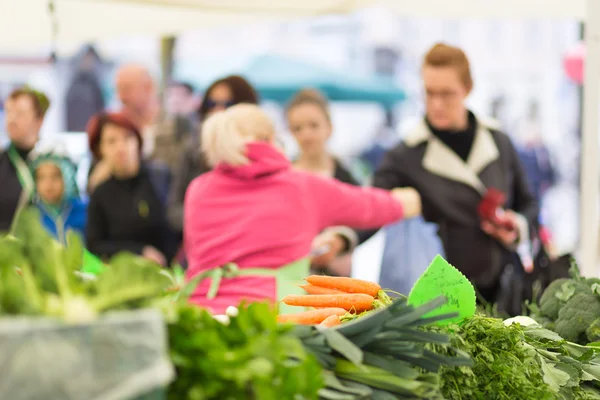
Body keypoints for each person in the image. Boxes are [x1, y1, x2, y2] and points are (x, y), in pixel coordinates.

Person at [183, 104, 422, 314]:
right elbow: (371, 206)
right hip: (273, 317)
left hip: (199, 311)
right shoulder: (301, 187)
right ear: (268, 139)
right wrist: (408, 199)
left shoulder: (198, 189)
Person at [373, 43, 538, 304]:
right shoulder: (406, 154)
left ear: (468, 88)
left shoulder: (498, 141)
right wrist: (343, 238)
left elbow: (528, 203)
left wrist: (516, 226)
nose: (436, 104)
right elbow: (370, 206)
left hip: (502, 290)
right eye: (429, 93)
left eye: (447, 94)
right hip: (441, 301)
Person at [167, 75, 259, 236]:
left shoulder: (259, 152)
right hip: (203, 240)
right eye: (212, 103)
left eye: (228, 104)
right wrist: (205, 223)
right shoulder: (192, 149)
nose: (218, 110)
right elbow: (174, 209)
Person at [285, 88, 361, 275]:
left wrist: (341, 240)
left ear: (329, 127)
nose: (306, 134)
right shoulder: (283, 178)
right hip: (294, 276)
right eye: (298, 128)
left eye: (313, 125)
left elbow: (365, 220)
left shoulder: (346, 178)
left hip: (337, 279)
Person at [85, 112, 177, 266]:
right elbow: (95, 244)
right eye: (111, 141)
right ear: (100, 149)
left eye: (127, 137)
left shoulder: (160, 178)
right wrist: (138, 251)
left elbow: (175, 226)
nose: (121, 147)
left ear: (138, 141)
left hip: (170, 274)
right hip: (123, 276)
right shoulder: (100, 193)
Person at [0, 87, 50, 232]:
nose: (11, 119)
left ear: (39, 120)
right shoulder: (1, 161)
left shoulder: (53, 162)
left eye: (20, 113)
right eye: (8, 112)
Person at [31, 152, 87, 242]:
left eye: (55, 177)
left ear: (67, 178)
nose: (48, 185)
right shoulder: (32, 216)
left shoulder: (85, 211)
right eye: (41, 178)